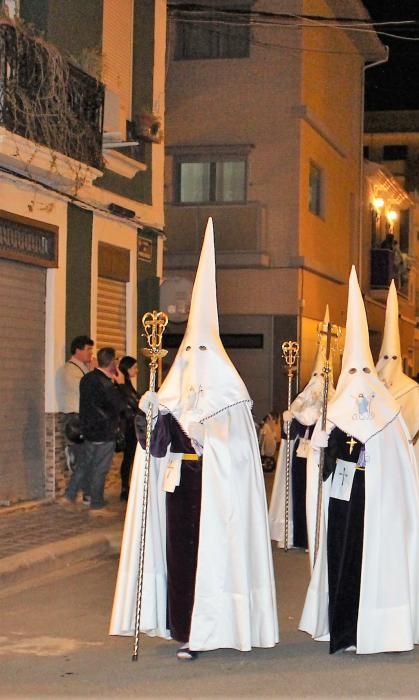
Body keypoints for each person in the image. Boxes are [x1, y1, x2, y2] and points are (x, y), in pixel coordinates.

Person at [110, 219, 278, 660]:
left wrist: (206, 439)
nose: (194, 359)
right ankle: (183, 626)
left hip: (215, 494)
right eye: (189, 351)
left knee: (212, 560)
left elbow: (238, 453)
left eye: (202, 351)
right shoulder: (172, 387)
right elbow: (154, 446)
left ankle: (217, 626)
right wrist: (150, 413)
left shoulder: (231, 394)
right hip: (179, 488)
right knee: (182, 561)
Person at [299, 266, 419, 654]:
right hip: (343, 502)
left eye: (363, 370)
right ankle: (342, 631)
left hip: (378, 506)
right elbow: (320, 471)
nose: (357, 378)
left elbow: (399, 468)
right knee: (343, 559)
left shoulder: (389, 412)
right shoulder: (335, 409)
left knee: (375, 563)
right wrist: (320, 445)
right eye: (351, 370)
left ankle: (377, 627)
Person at [377, 282, 419, 554]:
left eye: (394, 356)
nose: (390, 362)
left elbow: (417, 426)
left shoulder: (410, 388)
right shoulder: (372, 385)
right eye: (386, 356)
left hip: (403, 452)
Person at [269, 306, 335, 552]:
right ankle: (296, 535)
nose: (317, 383)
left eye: (322, 377)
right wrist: (289, 420)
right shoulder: (301, 399)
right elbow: (289, 435)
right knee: (298, 494)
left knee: (315, 496)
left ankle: (315, 537)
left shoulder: (332, 403)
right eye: (315, 376)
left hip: (318, 457)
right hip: (299, 457)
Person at [62, 347, 125, 516]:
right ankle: (96, 505)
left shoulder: (87, 379)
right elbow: (120, 406)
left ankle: (69, 495)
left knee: (85, 464)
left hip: (88, 430)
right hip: (104, 432)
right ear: (112, 363)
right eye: (116, 361)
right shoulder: (107, 384)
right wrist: (120, 385)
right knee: (100, 469)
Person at [55, 335, 94, 477]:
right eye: (88, 349)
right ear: (78, 350)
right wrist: (94, 372)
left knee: (87, 457)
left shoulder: (83, 369)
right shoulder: (70, 370)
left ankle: (85, 493)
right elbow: (86, 390)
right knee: (81, 456)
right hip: (75, 416)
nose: (91, 353)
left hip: (83, 416)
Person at [116, 356, 140, 501]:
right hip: (128, 427)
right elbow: (131, 402)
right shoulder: (122, 384)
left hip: (131, 425)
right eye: (134, 367)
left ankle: (127, 486)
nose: (136, 370)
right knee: (128, 458)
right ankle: (125, 487)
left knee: (129, 458)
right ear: (127, 368)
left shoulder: (127, 383)